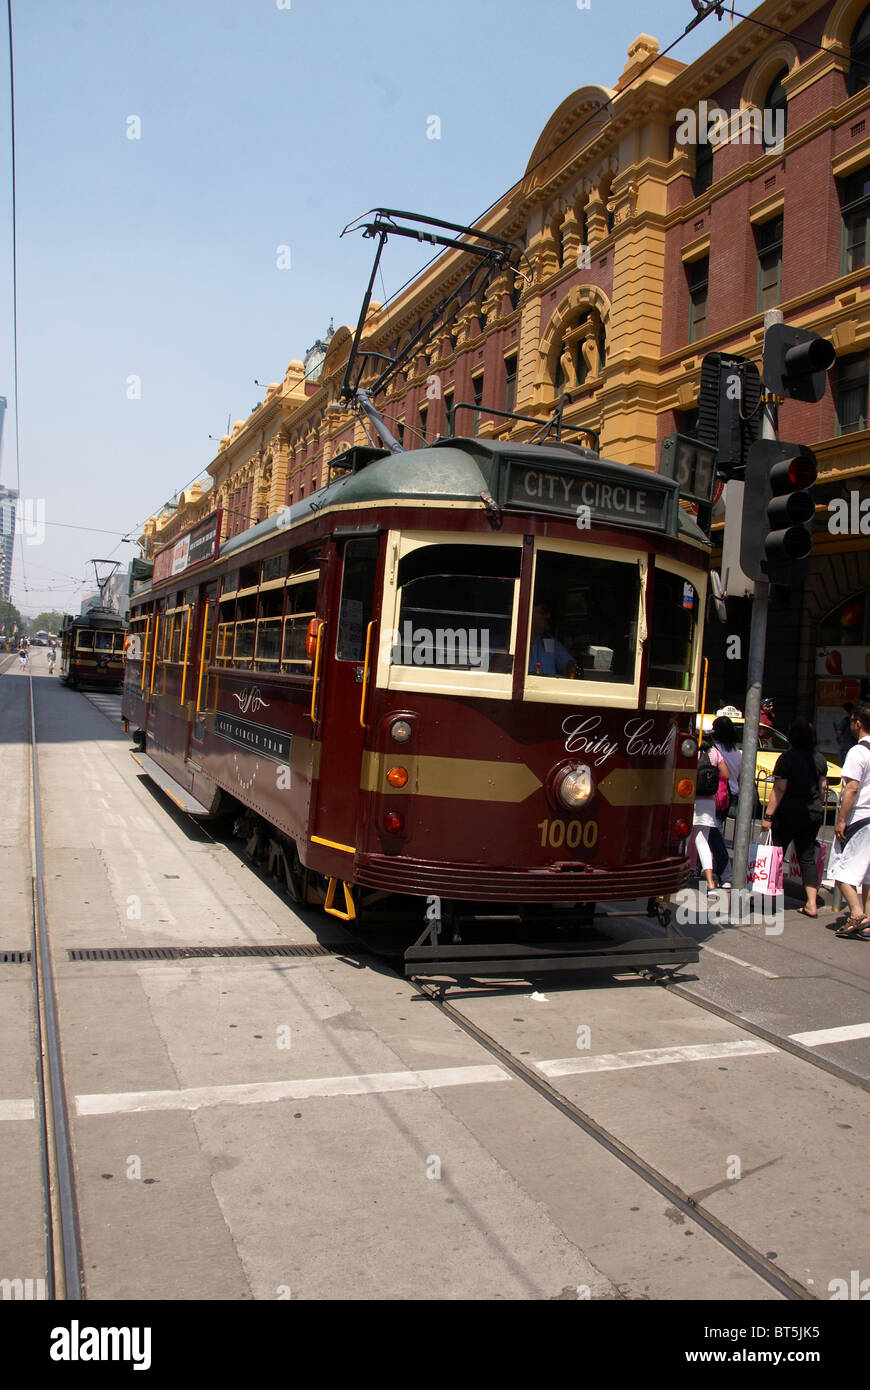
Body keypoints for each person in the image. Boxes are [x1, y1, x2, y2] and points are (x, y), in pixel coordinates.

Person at [761, 717, 827, 917]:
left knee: (776, 854)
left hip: (788, 812)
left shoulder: (786, 758)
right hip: (812, 812)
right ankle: (812, 904)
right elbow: (823, 787)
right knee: (806, 857)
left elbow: (780, 788)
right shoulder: (819, 759)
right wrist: (818, 803)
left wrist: (768, 815)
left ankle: (768, 899)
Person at [829, 701, 870, 939]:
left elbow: (852, 788)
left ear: (858, 723)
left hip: (860, 818)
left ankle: (856, 914)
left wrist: (842, 820)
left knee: (840, 869)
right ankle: (867, 919)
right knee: (867, 874)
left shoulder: (857, 751)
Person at [693, 732, 730, 892]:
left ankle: (679, 875)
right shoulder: (715, 753)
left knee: (685, 840)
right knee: (702, 842)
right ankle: (710, 883)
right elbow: (726, 774)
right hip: (708, 802)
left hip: (691, 800)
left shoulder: (693, 751)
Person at [527, 602, 576, 677]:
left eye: (548, 613)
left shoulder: (550, 641)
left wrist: (570, 667)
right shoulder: (512, 640)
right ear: (528, 613)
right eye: (542, 613)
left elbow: (567, 663)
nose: (548, 616)